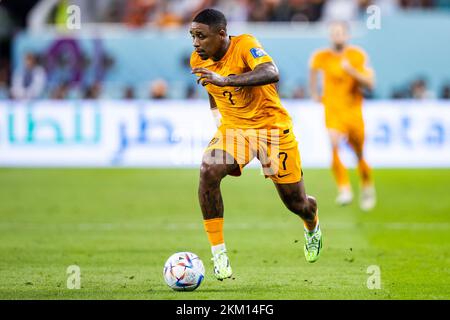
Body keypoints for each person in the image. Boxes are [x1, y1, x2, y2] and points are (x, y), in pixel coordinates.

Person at [190, 8, 322, 281]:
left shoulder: (246, 45)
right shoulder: (197, 59)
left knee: (296, 203)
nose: (195, 43)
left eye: (201, 36)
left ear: (222, 34)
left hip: (271, 130)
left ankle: (312, 224)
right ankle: (219, 254)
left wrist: (226, 80)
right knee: (208, 170)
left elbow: (271, 72)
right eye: (192, 36)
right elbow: (212, 90)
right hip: (235, 130)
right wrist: (217, 116)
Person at [309, 21, 376, 211]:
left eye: (340, 33)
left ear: (347, 36)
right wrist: (314, 92)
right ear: (330, 36)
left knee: (359, 153)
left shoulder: (357, 56)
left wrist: (351, 71)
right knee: (334, 144)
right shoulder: (322, 56)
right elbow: (313, 72)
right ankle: (344, 188)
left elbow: (370, 83)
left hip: (353, 111)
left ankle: (367, 185)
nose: (337, 36)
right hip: (332, 109)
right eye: (334, 33)